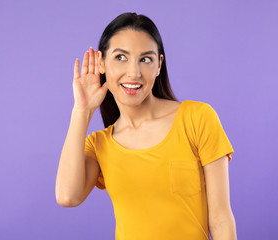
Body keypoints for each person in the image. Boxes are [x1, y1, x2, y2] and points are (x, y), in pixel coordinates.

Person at [55, 12, 237, 240]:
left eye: (146, 59)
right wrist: (81, 111)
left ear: (159, 65)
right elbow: (67, 196)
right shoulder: (100, 145)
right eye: (121, 57)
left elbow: (220, 220)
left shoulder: (197, 118)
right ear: (101, 63)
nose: (134, 73)